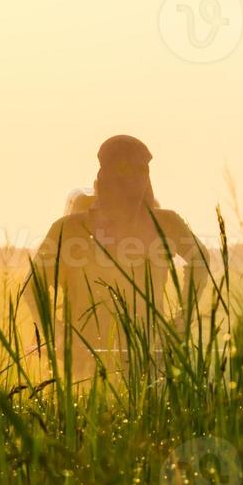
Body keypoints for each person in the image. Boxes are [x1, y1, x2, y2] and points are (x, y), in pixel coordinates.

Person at [29, 136, 206, 375]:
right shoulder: (69, 229)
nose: (131, 180)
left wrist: (181, 323)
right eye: (122, 170)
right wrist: (58, 333)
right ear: (104, 176)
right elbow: (32, 287)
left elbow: (201, 260)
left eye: (140, 171)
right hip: (86, 365)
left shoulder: (167, 224)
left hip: (149, 361)